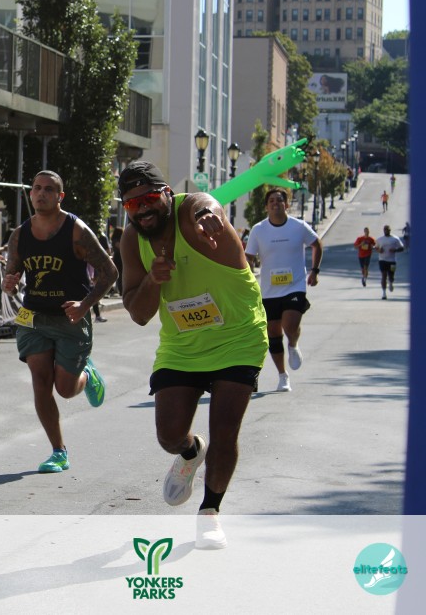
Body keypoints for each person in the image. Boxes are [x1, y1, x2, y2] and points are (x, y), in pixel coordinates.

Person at [119, 161, 267, 550]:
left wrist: (208, 215)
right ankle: (189, 451)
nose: (142, 209)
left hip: (237, 335)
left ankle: (210, 513)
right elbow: (138, 313)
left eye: (149, 199)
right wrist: (153, 279)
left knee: (225, 429)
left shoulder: (192, 212)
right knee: (169, 435)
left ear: (167, 194)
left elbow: (206, 204)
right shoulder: (131, 240)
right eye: (132, 204)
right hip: (182, 344)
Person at [1, 170, 116, 475]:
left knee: (64, 389)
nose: (41, 193)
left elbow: (110, 272)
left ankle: (86, 375)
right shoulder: (20, 235)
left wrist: (85, 304)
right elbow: (10, 277)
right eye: (37, 188)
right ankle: (58, 451)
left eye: (49, 189)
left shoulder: (76, 230)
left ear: (60, 196)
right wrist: (9, 283)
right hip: (33, 318)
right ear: (30, 194)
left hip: (70, 318)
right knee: (40, 382)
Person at [244, 189, 322, 393]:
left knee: (290, 324)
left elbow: (316, 244)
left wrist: (314, 271)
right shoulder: (258, 230)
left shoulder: (298, 226)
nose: (275, 203)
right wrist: (248, 272)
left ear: (286, 204)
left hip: (295, 285)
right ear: (266, 206)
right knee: (273, 333)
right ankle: (282, 375)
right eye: (271, 201)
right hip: (269, 290)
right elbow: (248, 256)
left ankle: (293, 344)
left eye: (279, 200)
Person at [376, 225, 405, 300]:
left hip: (392, 261)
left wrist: (395, 250)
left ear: (390, 230)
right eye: (385, 229)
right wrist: (379, 250)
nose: (386, 231)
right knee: (384, 276)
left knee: (391, 276)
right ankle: (384, 293)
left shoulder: (395, 238)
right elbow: (376, 247)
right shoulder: (380, 239)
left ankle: (391, 282)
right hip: (382, 260)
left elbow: (402, 248)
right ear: (383, 230)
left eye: (387, 230)